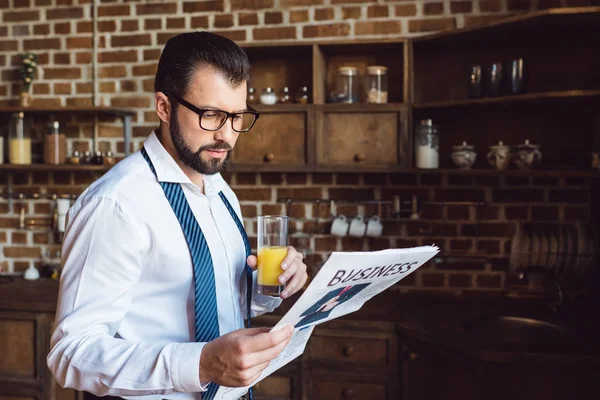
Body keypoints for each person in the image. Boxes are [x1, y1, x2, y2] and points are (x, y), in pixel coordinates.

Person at [46, 31, 308, 400]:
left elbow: (212, 295)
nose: (226, 136)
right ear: (164, 107)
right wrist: (202, 364)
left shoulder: (219, 191)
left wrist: (271, 284)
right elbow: (71, 354)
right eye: (211, 114)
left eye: (237, 117)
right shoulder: (116, 204)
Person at [294, 283, 370, 329]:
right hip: (323, 299)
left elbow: (352, 294)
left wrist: (336, 302)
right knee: (301, 318)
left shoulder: (363, 284)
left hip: (332, 304)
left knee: (310, 321)